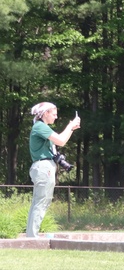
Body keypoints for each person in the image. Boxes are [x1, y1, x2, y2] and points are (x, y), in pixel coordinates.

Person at [26, 102, 80, 238]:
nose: (56, 117)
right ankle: (32, 237)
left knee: (40, 201)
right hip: (43, 167)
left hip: (43, 167)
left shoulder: (41, 127)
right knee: (41, 201)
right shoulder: (40, 127)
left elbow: (61, 141)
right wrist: (70, 126)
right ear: (45, 114)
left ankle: (31, 236)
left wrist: (71, 129)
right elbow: (61, 140)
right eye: (54, 114)